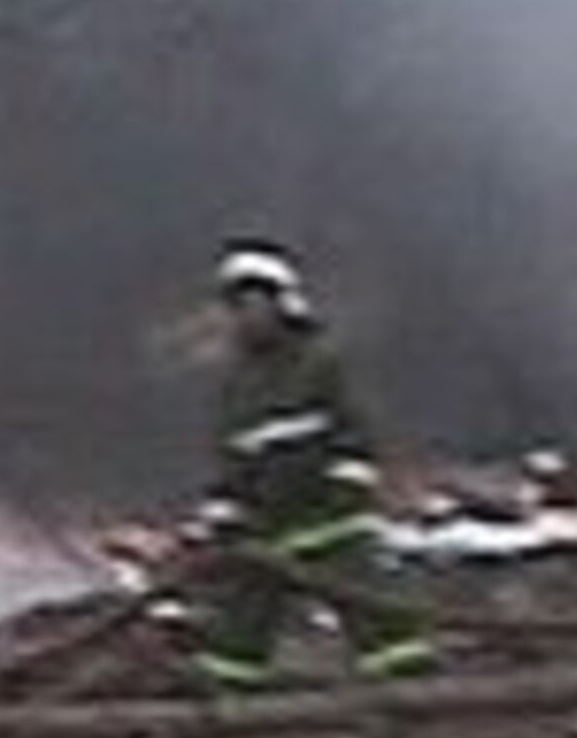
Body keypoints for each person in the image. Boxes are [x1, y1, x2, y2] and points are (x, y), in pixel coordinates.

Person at [166, 240, 432, 690]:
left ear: (283, 303)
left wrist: (347, 487)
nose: (248, 316)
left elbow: (355, 433)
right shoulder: (236, 382)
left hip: (329, 519)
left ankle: (411, 701)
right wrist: (225, 512)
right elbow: (232, 457)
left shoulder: (321, 362)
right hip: (266, 528)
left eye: (256, 303)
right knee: (237, 626)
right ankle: (225, 712)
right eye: (238, 306)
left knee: (381, 619)